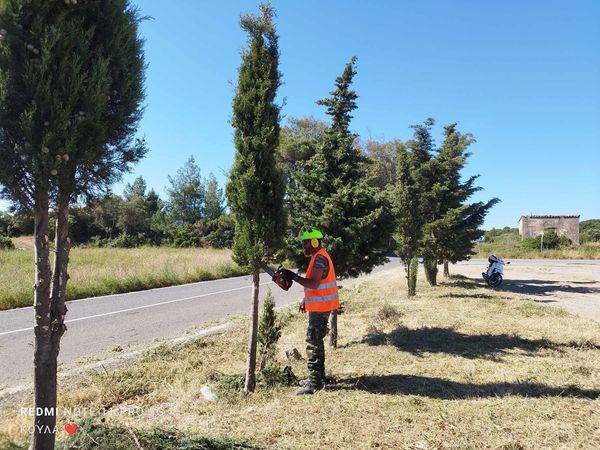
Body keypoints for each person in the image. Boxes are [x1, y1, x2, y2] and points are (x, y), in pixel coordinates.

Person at [282, 228, 339, 395]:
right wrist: (305, 299)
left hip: (321, 307)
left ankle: (315, 383)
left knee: (313, 343)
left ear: (314, 242)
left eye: (305, 243)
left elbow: (313, 283)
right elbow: (316, 285)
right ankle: (317, 378)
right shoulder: (317, 256)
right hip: (319, 305)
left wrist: (293, 277)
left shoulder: (320, 258)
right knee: (316, 342)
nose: (303, 246)